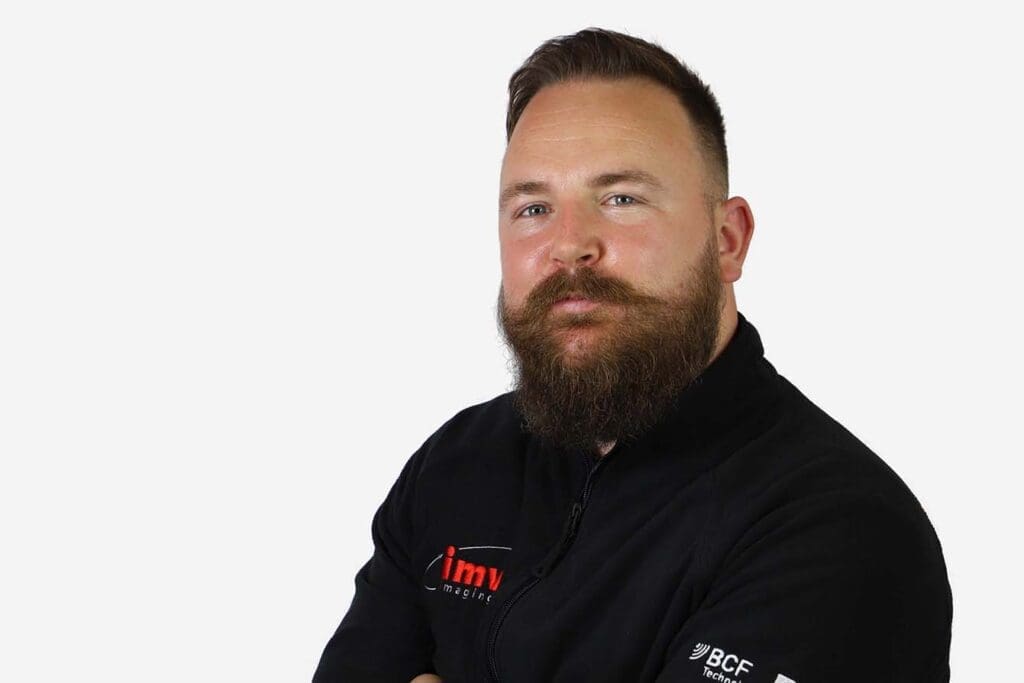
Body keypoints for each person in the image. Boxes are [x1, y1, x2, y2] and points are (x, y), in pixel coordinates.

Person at [312, 27, 952, 683]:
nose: (570, 245)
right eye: (533, 207)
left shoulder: (835, 525)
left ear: (727, 240)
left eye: (621, 199)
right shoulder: (457, 464)